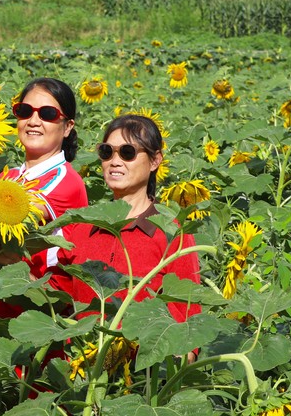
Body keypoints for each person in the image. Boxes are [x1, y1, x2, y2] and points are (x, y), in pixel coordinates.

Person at [53, 114, 201, 323]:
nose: (115, 162)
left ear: (155, 161)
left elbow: (186, 316)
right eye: (107, 152)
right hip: (82, 353)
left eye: (127, 153)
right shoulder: (82, 227)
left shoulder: (172, 234)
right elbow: (58, 296)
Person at [0, 76, 89, 279]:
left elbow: (6, 216)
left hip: (43, 301)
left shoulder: (66, 181)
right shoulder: (10, 175)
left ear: (67, 127)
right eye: (25, 111)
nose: (33, 121)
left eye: (48, 114)